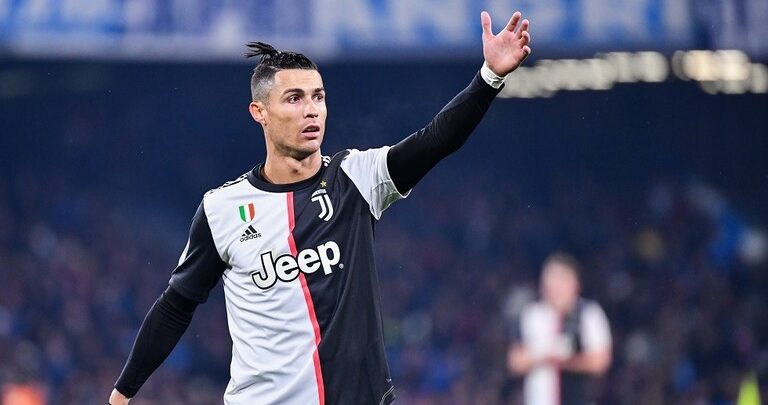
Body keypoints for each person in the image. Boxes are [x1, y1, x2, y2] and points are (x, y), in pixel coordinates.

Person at [108, 10, 532, 405]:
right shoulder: (222, 208)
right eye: (294, 98)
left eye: (318, 97)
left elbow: (435, 140)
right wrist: (122, 394)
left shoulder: (356, 178)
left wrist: (489, 76)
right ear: (260, 112)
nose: (311, 110)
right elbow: (176, 305)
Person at [507, 253, 612, 405]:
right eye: (550, 280)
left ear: (574, 283)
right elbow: (515, 362)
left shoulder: (588, 313)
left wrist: (564, 361)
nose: (554, 286)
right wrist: (544, 357)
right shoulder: (531, 315)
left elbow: (600, 361)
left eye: (560, 279)